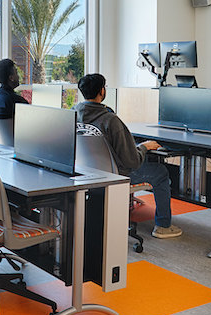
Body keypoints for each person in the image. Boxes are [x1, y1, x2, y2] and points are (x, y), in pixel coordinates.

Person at [74, 74, 181, 239]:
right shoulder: (110, 120)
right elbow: (133, 162)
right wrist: (143, 147)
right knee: (160, 172)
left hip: (86, 172)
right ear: (102, 91)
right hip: (115, 174)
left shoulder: (73, 114)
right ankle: (163, 226)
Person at [0, 59, 28, 144]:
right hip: (17, 151)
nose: (18, 76)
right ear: (11, 78)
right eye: (16, 73)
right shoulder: (18, 102)